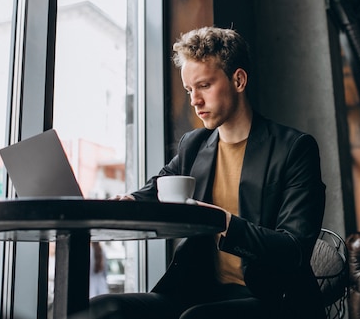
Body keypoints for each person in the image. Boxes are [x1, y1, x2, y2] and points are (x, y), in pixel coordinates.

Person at [87, 26, 326, 319]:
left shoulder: (294, 149)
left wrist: (221, 222)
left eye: (204, 86)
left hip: (272, 298)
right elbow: (157, 190)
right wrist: (130, 203)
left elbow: (294, 250)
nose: (194, 101)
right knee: (103, 309)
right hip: (197, 292)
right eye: (189, 90)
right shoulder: (195, 144)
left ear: (238, 80)